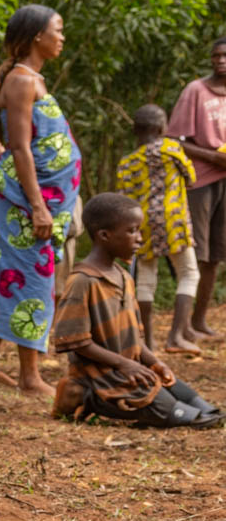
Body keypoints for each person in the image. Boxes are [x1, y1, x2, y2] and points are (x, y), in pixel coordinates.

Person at [0, 5, 81, 395]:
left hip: (30, 197)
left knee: (6, 274)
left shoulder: (26, 77)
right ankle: (29, 376)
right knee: (31, 278)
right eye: (58, 30)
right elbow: (20, 147)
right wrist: (37, 204)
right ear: (37, 35)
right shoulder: (21, 80)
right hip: (25, 201)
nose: (62, 37)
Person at [50, 193, 219, 427]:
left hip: (130, 372)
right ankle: (80, 394)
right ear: (105, 236)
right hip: (101, 377)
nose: (140, 239)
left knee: (195, 402)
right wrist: (124, 364)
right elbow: (75, 341)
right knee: (180, 415)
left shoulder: (124, 277)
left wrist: (154, 362)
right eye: (132, 231)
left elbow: (135, 338)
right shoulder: (82, 281)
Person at [116, 104, 201, 353]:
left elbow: (123, 198)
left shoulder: (128, 163)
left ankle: (147, 342)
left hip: (142, 226)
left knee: (146, 280)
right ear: (162, 128)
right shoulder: (171, 148)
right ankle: (176, 336)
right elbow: (191, 177)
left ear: (136, 130)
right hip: (174, 222)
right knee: (188, 273)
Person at [168, 37, 226, 337]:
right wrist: (213, 157)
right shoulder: (195, 91)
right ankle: (183, 325)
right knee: (197, 252)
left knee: (216, 254)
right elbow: (175, 140)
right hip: (199, 179)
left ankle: (200, 320)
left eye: (225, 56)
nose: (220, 61)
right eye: (215, 56)